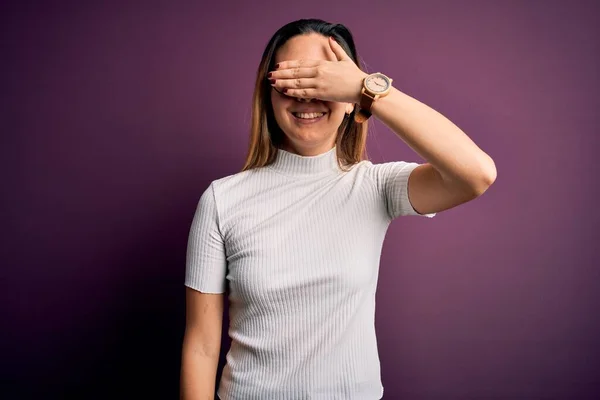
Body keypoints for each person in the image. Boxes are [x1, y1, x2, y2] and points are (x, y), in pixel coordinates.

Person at [180, 18, 496, 400]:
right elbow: (201, 346)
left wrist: (369, 90)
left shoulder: (375, 187)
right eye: (293, 80)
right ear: (269, 93)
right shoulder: (221, 200)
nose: (307, 95)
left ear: (350, 102)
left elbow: (476, 174)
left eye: (323, 81)